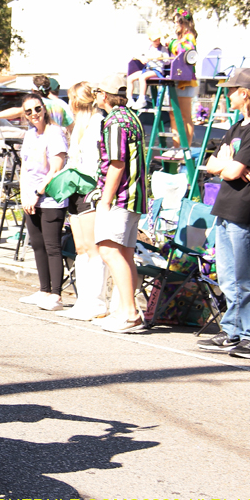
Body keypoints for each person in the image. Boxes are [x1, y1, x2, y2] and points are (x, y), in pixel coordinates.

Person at [197, 69, 250, 359]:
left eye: (231, 90)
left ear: (244, 93)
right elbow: (213, 163)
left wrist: (228, 165)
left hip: (245, 209)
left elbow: (229, 168)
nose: (227, 95)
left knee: (247, 276)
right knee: (228, 276)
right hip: (226, 205)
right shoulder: (236, 127)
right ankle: (231, 331)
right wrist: (226, 165)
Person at [90, 74, 147, 333]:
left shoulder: (114, 121)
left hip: (121, 196)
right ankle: (128, 310)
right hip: (134, 196)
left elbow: (117, 163)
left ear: (104, 95)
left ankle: (129, 313)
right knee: (123, 253)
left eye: (97, 92)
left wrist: (105, 199)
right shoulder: (131, 116)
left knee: (109, 251)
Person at [58, 81, 109, 321]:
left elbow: (100, 161)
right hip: (74, 188)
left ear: (77, 101)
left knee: (93, 247)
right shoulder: (77, 126)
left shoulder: (98, 123)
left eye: (71, 99)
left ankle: (97, 302)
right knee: (80, 247)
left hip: (90, 188)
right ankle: (84, 299)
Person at [17, 93, 69, 311]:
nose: (34, 114)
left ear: (44, 108)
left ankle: (56, 294)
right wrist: (25, 196)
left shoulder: (54, 133)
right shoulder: (30, 135)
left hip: (50, 198)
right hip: (32, 198)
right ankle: (44, 289)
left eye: (37, 109)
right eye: (29, 111)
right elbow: (25, 168)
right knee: (37, 245)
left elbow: (56, 168)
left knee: (52, 246)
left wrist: (37, 193)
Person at [0, 75, 74, 133]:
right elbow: (71, 126)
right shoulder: (59, 105)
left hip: (42, 144)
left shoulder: (36, 105)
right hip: (58, 144)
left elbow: (16, 111)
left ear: (33, 90)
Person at [166, 9, 199, 150]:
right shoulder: (180, 37)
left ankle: (186, 148)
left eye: (176, 22)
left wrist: (171, 42)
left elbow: (184, 50)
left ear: (184, 22)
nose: (175, 26)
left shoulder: (189, 36)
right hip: (175, 80)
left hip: (186, 81)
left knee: (185, 115)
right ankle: (176, 145)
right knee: (173, 114)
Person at [126, 27, 170, 109]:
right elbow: (137, 54)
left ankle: (142, 98)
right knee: (130, 78)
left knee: (142, 77)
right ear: (150, 39)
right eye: (155, 40)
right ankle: (129, 99)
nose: (157, 42)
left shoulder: (162, 48)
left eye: (158, 39)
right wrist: (141, 58)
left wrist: (161, 58)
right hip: (147, 69)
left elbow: (168, 61)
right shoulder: (148, 48)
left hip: (157, 70)